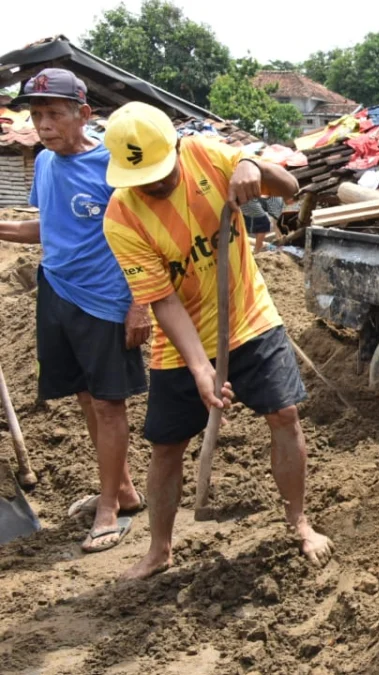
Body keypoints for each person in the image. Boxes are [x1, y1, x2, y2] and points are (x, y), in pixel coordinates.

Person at [100, 101, 332, 580]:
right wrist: (201, 367)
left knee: (284, 414)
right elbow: (162, 300)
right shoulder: (122, 219)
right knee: (166, 445)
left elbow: (289, 188)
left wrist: (252, 165)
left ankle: (299, 522)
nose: (154, 186)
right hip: (180, 338)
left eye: (161, 175)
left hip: (249, 316)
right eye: (142, 178)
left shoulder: (208, 155)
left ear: (177, 150)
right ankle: (159, 549)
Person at [0, 68, 150, 553]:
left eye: (54, 114)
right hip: (57, 292)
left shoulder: (115, 167)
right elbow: (51, 228)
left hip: (106, 299)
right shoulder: (44, 163)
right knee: (87, 397)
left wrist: (139, 305)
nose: (43, 125)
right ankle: (123, 491)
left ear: (83, 115)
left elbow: (145, 240)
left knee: (109, 403)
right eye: (37, 114)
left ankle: (108, 509)